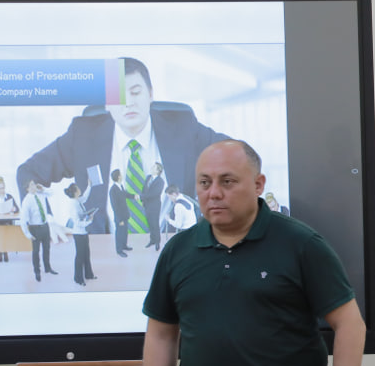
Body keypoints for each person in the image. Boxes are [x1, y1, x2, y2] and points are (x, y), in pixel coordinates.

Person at [143, 139, 366, 366]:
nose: (214, 193)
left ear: (259, 184)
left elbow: (350, 324)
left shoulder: (301, 243)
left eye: (227, 181)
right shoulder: (178, 251)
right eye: (205, 183)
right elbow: (160, 335)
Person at [15, 56, 229, 235]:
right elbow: (29, 172)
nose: (128, 103)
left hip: (174, 251)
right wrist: (43, 220)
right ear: (107, 104)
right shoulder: (83, 135)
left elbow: (235, 154)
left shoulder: (182, 127)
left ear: (150, 94)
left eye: (135, 92)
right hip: (104, 252)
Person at [19, 179, 56, 281]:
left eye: (34, 184)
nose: (34, 186)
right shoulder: (27, 201)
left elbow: (52, 193)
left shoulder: (41, 194)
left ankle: (48, 268)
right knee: (36, 251)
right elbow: (23, 220)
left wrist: (43, 189)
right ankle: (37, 271)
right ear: (27, 188)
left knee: (47, 248)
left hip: (45, 226)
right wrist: (28, 234)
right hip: (35, 228)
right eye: (31, 185)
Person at [63, 183, 95, 286]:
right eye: (78, 188)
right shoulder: (73, 205)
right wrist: (89, 221)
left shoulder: (77, 201)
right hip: (78, 233)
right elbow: (77, 222)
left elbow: (84, 197)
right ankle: (78, 279)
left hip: (83, 232)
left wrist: (89, 186)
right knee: (80, 256)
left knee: (86, 254)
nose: (80, 189)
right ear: (75, 192)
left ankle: (89, 275)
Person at [0, 176, 19, 262]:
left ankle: (3, 251)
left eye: (2, 188)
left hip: (7, 222)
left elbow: (17, 209)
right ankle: (1, 251)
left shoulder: (9, 197)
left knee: (4, 229)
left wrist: (13, 209)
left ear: (4, 187)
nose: (0, 190)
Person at [108, 168, 136, 257]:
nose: (122, 175)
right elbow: (114, 206)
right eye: (121, 174)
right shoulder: (113, 190)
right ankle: (119, 250)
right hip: (119, 217)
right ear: (118, 177)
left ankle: (124, 245)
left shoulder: (121, 186)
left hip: (125, 215)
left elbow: (125, 194)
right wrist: (119, 219)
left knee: (124, 232)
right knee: (119, 233)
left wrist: (134, 196)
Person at [142, 162, 166, 249]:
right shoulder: (148, 177)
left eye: (154, 167)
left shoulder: (160, 181)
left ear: (158, 171)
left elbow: (155, 194)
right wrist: (142, 199)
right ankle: (152, 240)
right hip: (147, 204)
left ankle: (157, 242)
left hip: (155, 205)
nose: (151, 168)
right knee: (150, 223)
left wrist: (142, 196)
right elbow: (144, 189)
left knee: (155, 223)